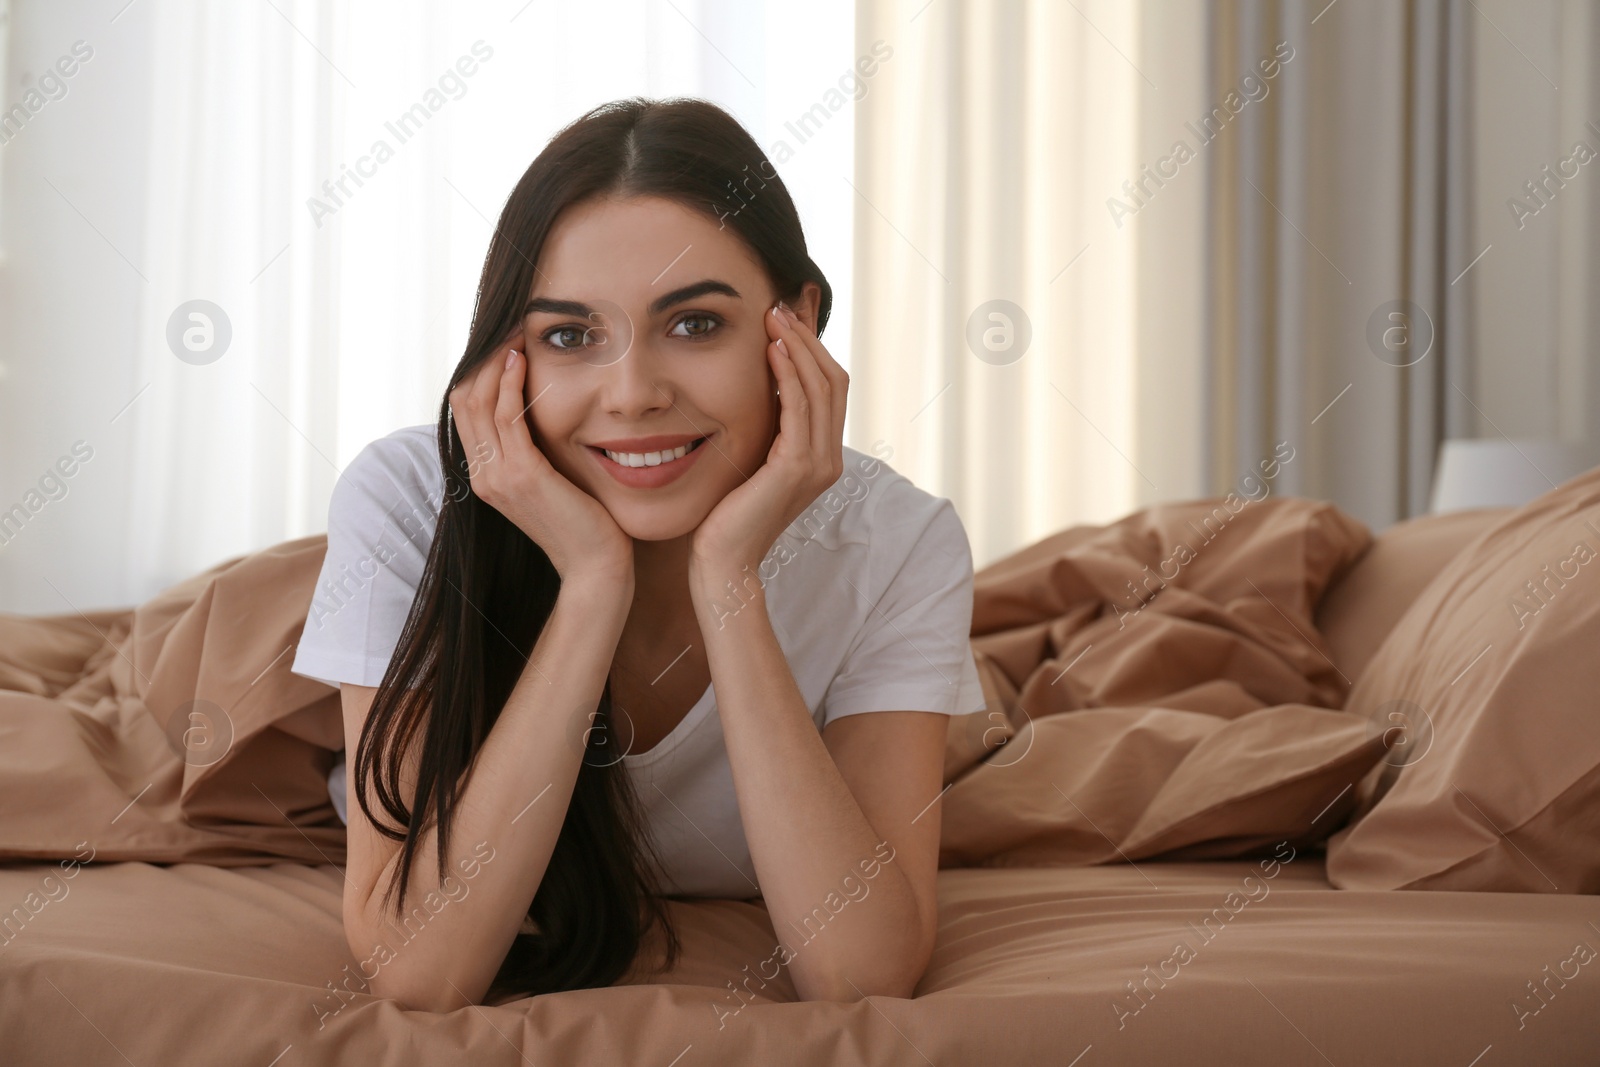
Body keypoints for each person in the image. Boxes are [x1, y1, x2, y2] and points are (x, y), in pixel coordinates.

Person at [290, 96, 986, 1012]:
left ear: (798, 322)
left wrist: (729, 580)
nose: (633, 394)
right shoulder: (406, 500)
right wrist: (591, 584)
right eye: (571, 336)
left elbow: (859, 972)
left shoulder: (898, 541)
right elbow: (423, 970)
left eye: (695, 323)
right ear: (512, 356)